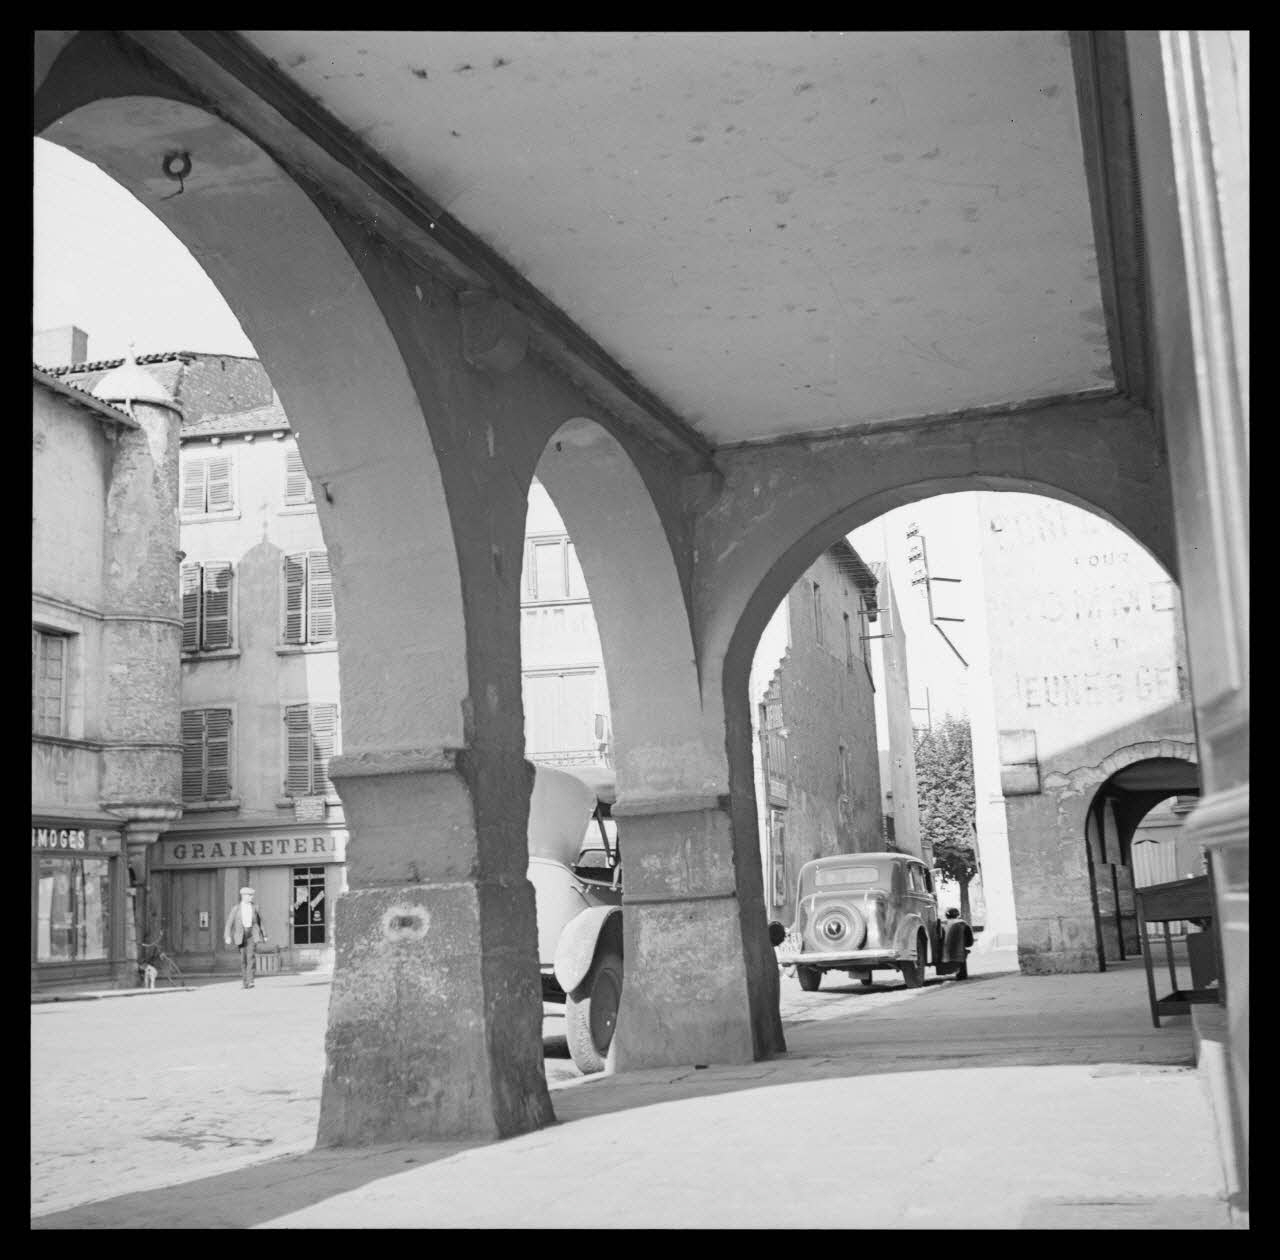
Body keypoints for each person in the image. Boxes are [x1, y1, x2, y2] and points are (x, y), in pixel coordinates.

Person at [224, 886, 268, 989]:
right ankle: (245, 982)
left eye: (252, 895)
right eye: (250, 895)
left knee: (251, 958)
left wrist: (264, 934)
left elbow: (260, 922)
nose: (252, 897)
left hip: (252, 934)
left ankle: (251, 980)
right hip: (241, 935)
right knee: (243, 960)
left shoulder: (255, 907)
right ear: (243, 896)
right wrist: (227, 936)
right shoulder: (236, 908)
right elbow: (229, 923)